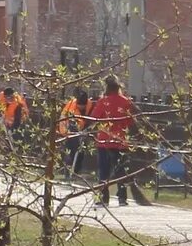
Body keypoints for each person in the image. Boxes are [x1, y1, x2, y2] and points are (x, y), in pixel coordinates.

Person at [88, 75, 148, 205]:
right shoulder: (126, 102)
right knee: (121, 170)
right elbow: (131, 122)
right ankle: (122, 197)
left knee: (103, 170)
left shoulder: (103, 102)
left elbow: (94, 119)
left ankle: (103, 197)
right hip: (120, 142)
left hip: (104, 141)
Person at [56, 88, 89, 177]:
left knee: (81, 152)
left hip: (82, 131)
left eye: (83, 105)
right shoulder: (71, 108)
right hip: (70, 131)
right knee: (71, 151)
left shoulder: (89, 105)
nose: (81, 107)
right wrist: (66, 132)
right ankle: (68, 172)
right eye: (80, 105)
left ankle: (76, 172)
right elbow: (65, 121)